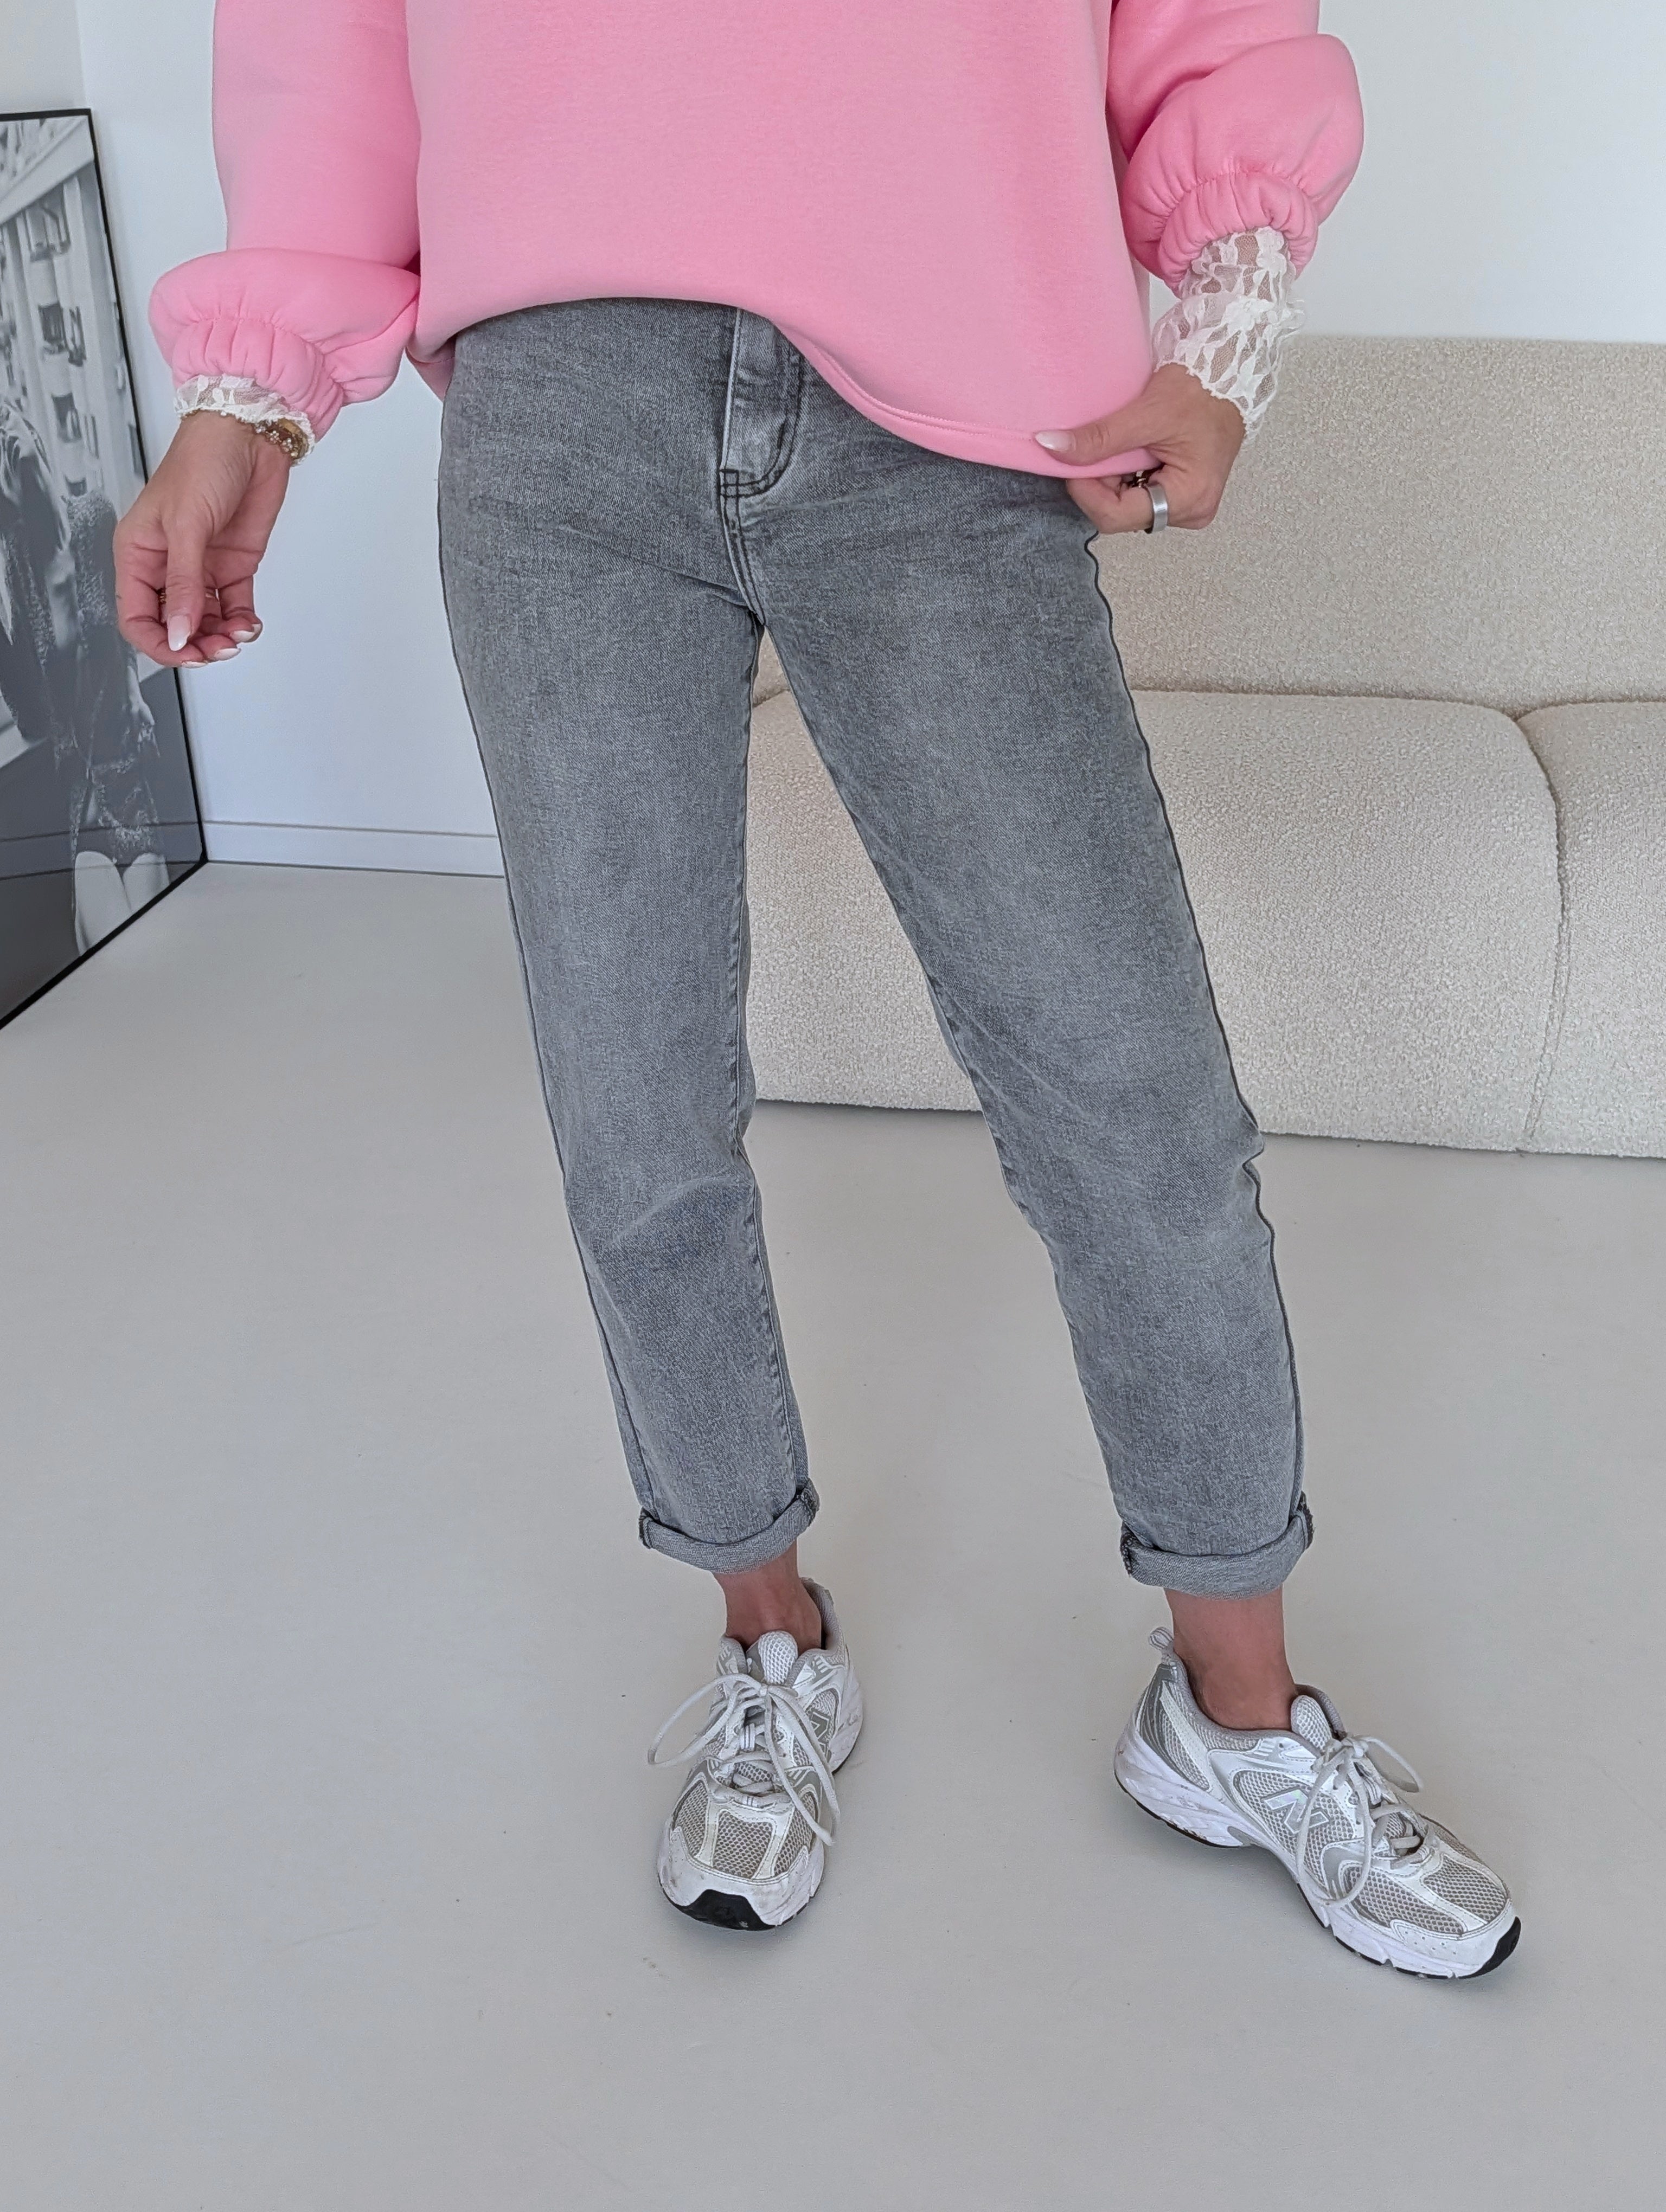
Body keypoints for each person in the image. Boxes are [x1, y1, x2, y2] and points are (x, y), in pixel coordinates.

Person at [115, 0, 1520, 1976]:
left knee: (1131, 1102)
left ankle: (1240, 1713)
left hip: (955, 391)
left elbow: (1209, 27)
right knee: (635, 1105)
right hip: (561, 406)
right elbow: (327, 42)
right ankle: (769, 1642)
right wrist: (244, 405)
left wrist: (1226, 338)